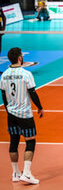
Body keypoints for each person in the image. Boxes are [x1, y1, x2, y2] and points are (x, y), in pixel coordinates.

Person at [0, 47, 44, 184]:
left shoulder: (4, 75)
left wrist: (8, 110)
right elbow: (33, 93)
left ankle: (15, 173)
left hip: (11, 114)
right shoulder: (26, 74)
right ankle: (26, 173)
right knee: (30, 141)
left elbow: (3, 95)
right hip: (24, 114)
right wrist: (40, 107)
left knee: (14, 141)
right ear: (20, 57)